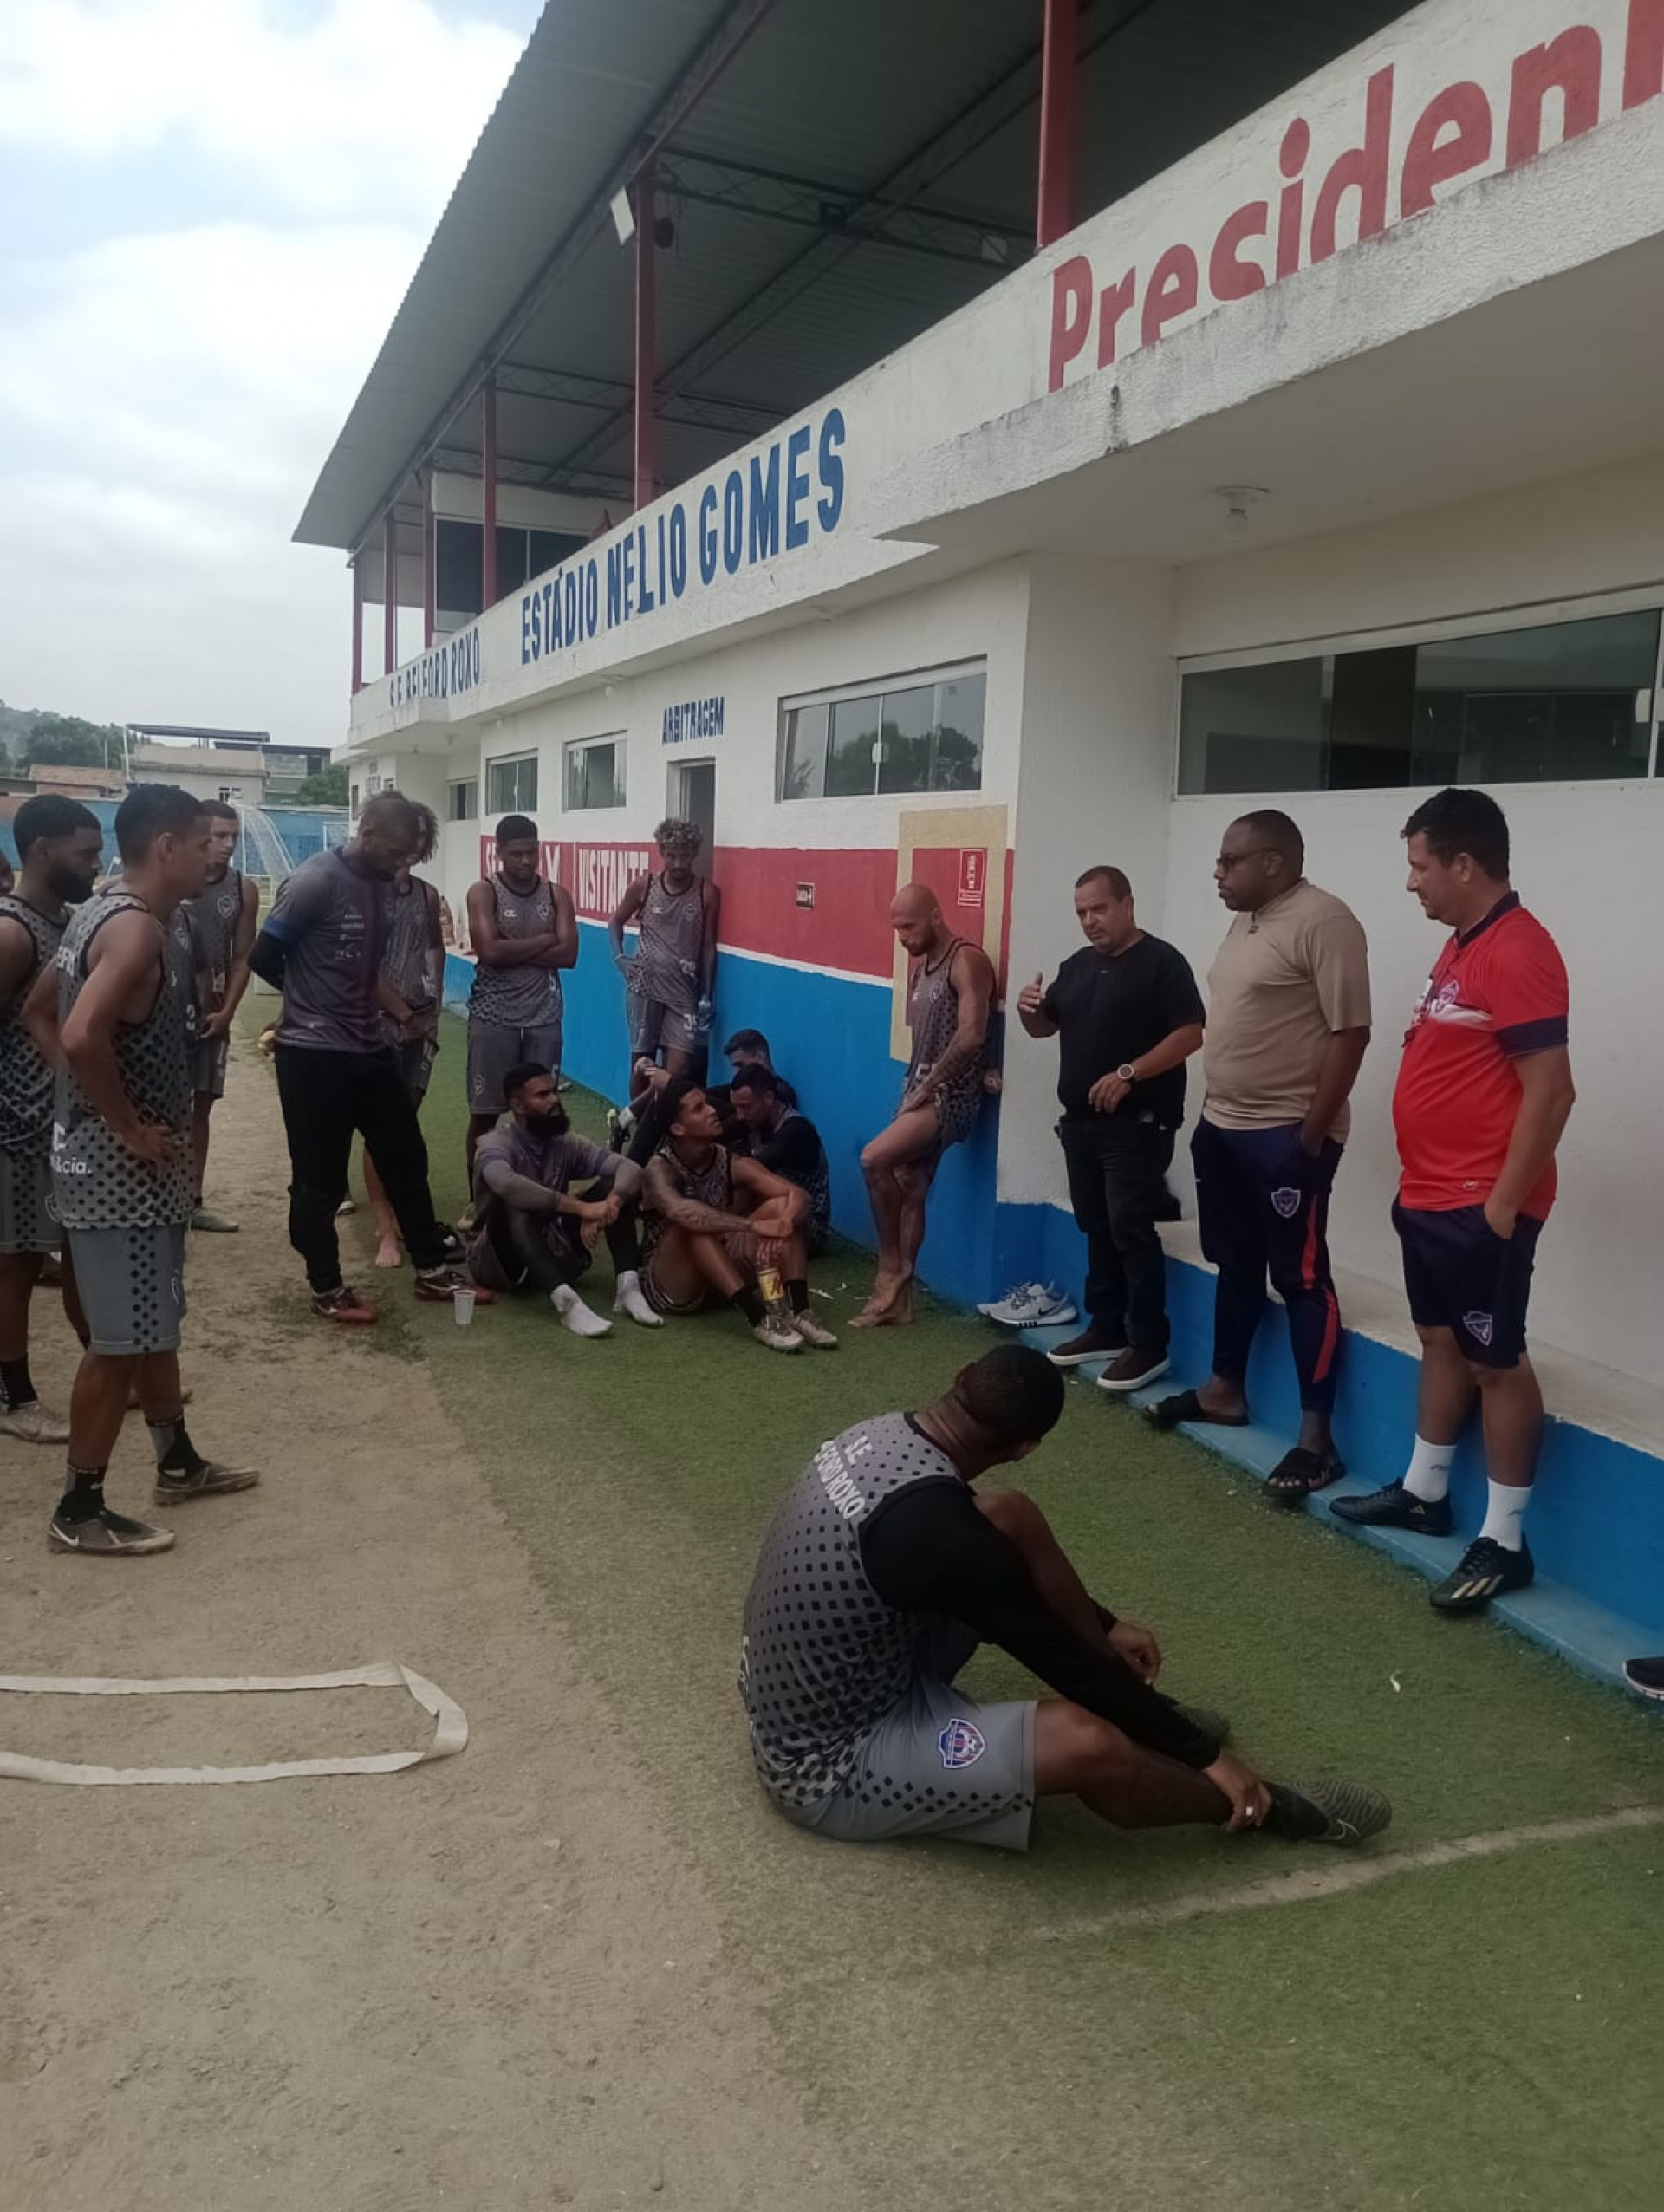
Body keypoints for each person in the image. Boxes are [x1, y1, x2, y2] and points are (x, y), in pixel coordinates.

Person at [738, 1344, 1389, 1852]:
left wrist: (1100, 1627)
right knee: (1088, 1742)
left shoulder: (886, 1433)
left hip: (850, 1671)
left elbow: (998, 1573)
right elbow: (1057, 1663)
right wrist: (1204, 1755)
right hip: (828, 1763)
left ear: (960, 1378)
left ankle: (1141, 1701)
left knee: (1007, 1516)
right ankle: (1264, 1806)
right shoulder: (942, 1541)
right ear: (1025, 1447)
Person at [1333, 789, 1575, 1614]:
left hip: (1480, 1205)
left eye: (1419, 866)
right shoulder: (1462, 947)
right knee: (1438, 1337)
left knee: (1495, 1364)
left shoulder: (1519, 949)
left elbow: (1553, 1091)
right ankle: (1425, 1490)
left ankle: (1505, 1541)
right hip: (1429, 1196)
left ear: (1464, 865)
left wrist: (1503, 1207)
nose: (1412, 884)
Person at [28, 785, 257, 1556]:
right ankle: (79, 1507)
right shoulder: (134, 933)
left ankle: (177, 1461)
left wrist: (84, 1105)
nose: (213, 856)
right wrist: (120, 1123)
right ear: (166, 847)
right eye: (202, 844)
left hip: (117, 1170)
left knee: (152, 1324)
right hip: (119, 1176)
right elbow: (83, 1032)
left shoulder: (102, 912)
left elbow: (39, 1010)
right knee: (119, 1343)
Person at [1149, 811, 1370, 1501]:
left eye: (1229, 862)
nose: (1217, 873)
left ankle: (1316, 1442)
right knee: (1235, 1263)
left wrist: (1307, 1138)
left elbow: (1351, 1033)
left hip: (1285, 1135)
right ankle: (1224, 1391)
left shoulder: (1325, 922)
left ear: (1273, 863)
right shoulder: (1246, 918)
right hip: (1223, 1128)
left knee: (1302, 1278)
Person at [250, 791, 481, 1324]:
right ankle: (326, 1286)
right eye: (394, 853)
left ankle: (430, 1269)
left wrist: (402, 1014)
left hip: (369, 1045)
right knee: (320, 1180)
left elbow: (361, 969)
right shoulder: (314, 882)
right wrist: (308, 1001)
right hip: (312, 1055)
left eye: (409, 857)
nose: (400, 865)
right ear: (367, 832)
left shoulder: (380, 888)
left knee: (405, 1154)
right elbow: (264, 956)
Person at [1016, 865, 1206, 1391]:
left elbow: (1191, 1033)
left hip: (1139, 1125)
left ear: (1127, 904)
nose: (1089, 921)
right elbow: (1044, 1025)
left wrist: (1130, 1073)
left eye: (1099, 909)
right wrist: (1029, 1009)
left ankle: (1149, 1344)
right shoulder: (1075, 967)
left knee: (1129, 1228)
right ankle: (1106, 1327)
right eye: (1081, 912)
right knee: (1096, 1225)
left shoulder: (1162, 963)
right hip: (1081, 1126)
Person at [0, 797, 103, 1443]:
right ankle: (15, 1399)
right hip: (16, 1127)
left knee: (77, 1256)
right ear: (41, 849)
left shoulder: (64, 919)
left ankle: (112, 1368)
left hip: (59, 1126)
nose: (95, 865)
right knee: (13, 1262)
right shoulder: (11, 931)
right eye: (84, 853)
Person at [854, 884, 994, 1329]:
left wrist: (930, 1085)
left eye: (909, 925)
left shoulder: (966, 959)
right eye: (896, 928)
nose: (902, 936)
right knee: (911, 1184)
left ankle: (890, 1268)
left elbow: (972, 1034)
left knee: (873, 1159)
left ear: (936, 915)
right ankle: (901, 1304)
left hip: (948, 1095)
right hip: (918, 1089)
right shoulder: (921, 970)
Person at [640, 1078, 837, 1350]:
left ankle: (797, 1311)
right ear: (678, 1128)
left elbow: (798, 1196)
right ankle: (758, 1318)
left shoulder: (729, 1160)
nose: (712, 1111)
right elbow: (680, 1212)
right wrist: (754, 1228)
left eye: (707, 1104)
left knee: (783, 1207)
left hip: (720, 1278)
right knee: (694, 1223)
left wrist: (783, 1225)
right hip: (672, 1285)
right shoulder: (658, 1168)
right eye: (699, 1109)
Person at [466, 1063, 660, 1337]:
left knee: (614, 1186)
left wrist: (610, 1204)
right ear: (518, 1106)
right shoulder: (494, 1145)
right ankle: (568, 1305)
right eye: (542, 1095)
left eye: (555, 1091)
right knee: (514, 1202)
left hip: (554, 1247)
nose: (555, 1100)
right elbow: (506, 1184)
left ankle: (628, 1289)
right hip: (498, 1263)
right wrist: (581, 1208)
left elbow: (630, 1168)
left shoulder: (566, 1143)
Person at [464, 815, 575, 1185]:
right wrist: (545, 940)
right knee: (486, 1113)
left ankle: (541, 1192)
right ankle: (479, 1197)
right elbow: (489, 951)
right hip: (494, 1015)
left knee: (541, 1110)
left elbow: (569, 955)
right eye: (516, 854)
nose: (526, 861)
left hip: (544, 1014)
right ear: (499, 853)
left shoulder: (556, 894)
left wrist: (512, 947)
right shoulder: (484, 892)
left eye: (532, 852)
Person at [365, 802, 444, 1268]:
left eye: (418, 841)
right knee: (381, 1126)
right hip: (373, 1023)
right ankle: (386, 1229)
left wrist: (429, 1008)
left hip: (417, 1020)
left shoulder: (426, 895)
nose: (409, 851)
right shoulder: (364, 893)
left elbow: (433, 944)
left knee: (406, 1121)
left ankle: (406, 1214)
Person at [176, 799, 258, 1234]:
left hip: (212, 1016)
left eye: (233, 837)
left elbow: (243, 955)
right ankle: (158, 1200)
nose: (227, 846)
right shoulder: (170, 882)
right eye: (217, 837)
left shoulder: (242, 889)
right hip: (166, 1013)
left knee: (200, 1109)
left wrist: (228, 1012)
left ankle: (193, 1200)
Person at [609, 818, 719, 1085]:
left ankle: (655, 1118)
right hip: (643, 986)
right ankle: (638, 1123)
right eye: (672, 856)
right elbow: (616, 921)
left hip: (683, 991)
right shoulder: (644, 886)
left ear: (695, 854)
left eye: (685, 856)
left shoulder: (707, 892)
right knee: (642, 1062)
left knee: (679, 1070)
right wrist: (619, 957)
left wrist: (706, 994)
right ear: (661, 853)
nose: (679, 863)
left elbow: (708, 947)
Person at [727, 1063, 831, 1252]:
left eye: (745, 1107)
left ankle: (727, 1239)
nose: (740, 1115)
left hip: (803, 1223)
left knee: (746, 1177)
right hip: (768, 1212)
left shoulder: (796, 1130)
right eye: (736, 1108)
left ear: (768, 1098)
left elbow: (755, 1168)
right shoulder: (752, 1120)